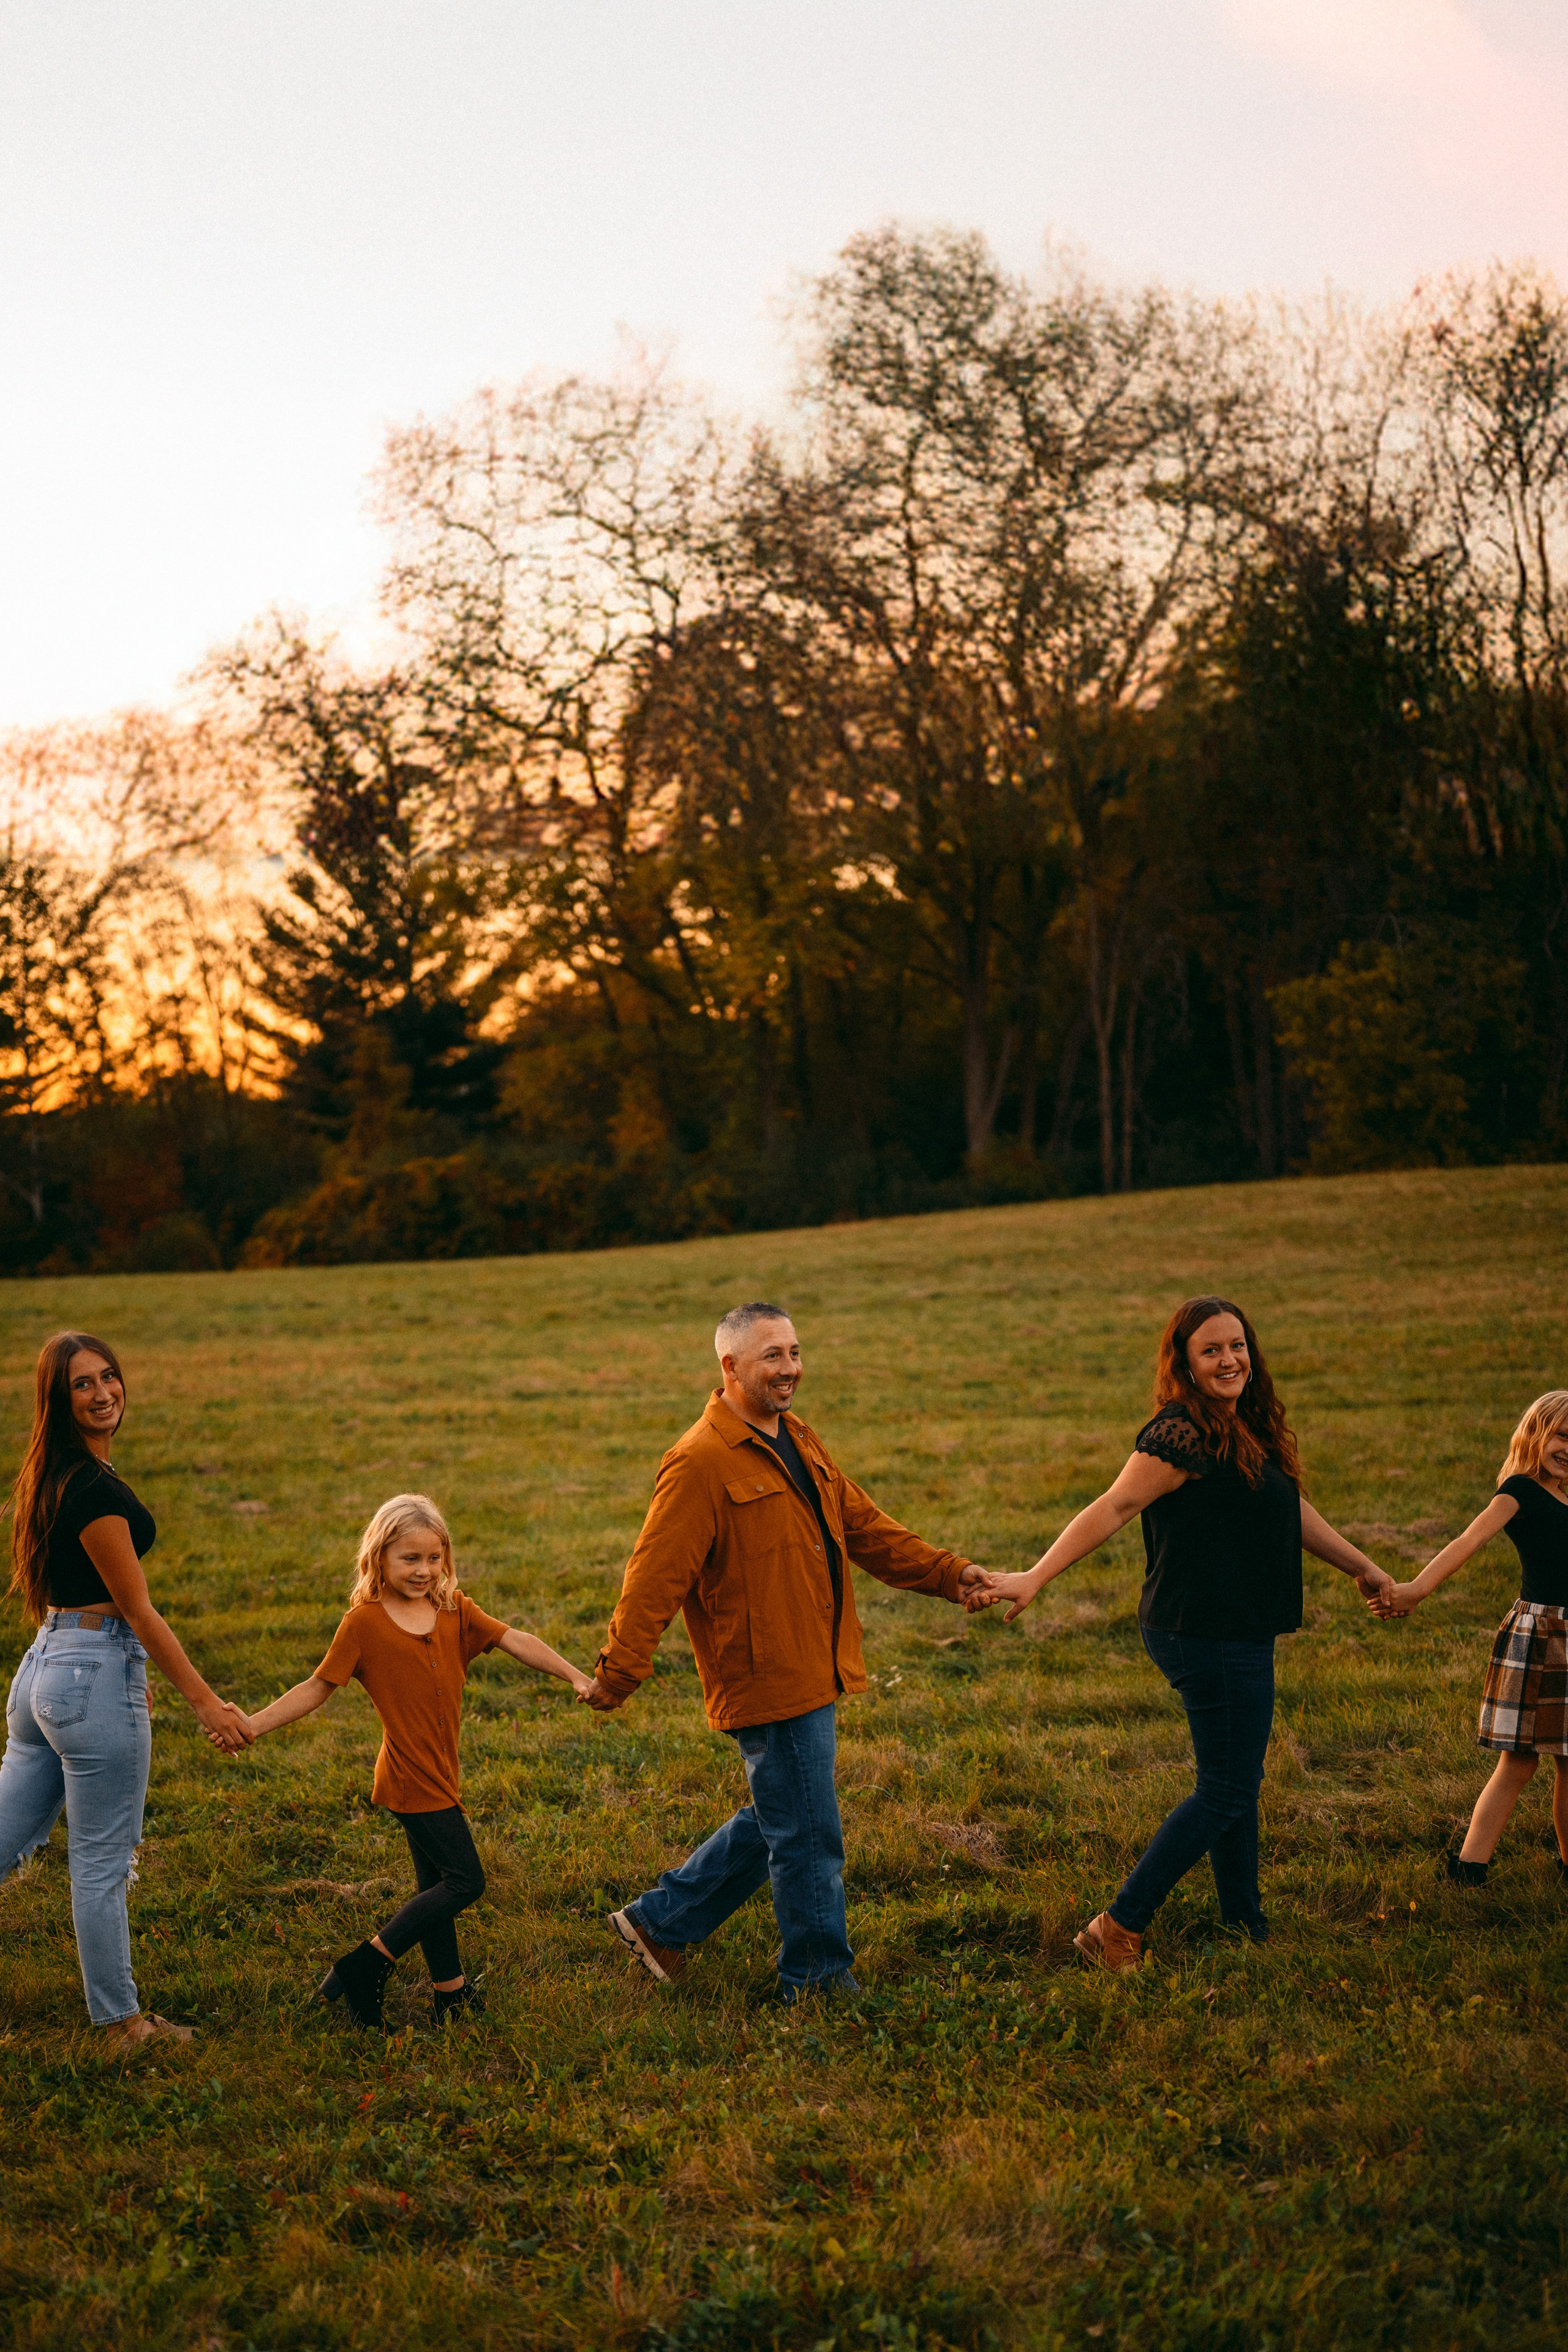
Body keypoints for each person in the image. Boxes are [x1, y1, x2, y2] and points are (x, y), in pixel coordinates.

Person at [970, 1295, 1394, 1970]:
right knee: (1226, 1786)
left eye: (1236, 1346)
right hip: (1203, 1630)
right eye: (1211, 1351)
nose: (1228, 1360)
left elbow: (1288, 1509)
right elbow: (1115, 1504)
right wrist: (1035, 1576)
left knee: (1235, 1779)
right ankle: (1118, 1923)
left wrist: (1361, 1566)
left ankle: (1242, 1922)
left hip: (1237, 1626)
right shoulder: (1182, 1433)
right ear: (1186, 1365)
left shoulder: (1240, 1424)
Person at [587, 1302, 992, 2004]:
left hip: (816, 1659)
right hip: (765, 1671)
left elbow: (864, 1527)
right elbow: (652, 1578)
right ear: (730, 1366)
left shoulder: (796, 1437)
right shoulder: (699, 1462)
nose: (791, 1368)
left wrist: (951, 1575)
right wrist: (618, 1672)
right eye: (772, 1355)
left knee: (789, 1811)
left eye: (796, 1352)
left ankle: (661, 1922)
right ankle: (818, 1981)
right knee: (807, 1833)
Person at [240, 1492, 596, 2031]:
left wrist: (575, 1675)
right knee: (465, 1882)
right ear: (379, 1557)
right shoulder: (364, 1624)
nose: (424, 1570)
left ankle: (450, 1995)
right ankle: (365, 1966)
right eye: (410, 1559)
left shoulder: (454, 1611)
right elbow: (318, 1687)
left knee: (433, 1889)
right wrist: (252, 1725)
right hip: (410, 1777)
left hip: (441, 1771)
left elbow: (515, 1639)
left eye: (434, 1559)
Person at [0, 1330, 252, 2050]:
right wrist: (205, 1702)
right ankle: (121, 2025)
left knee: (7, 1839)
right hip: (86, 1673)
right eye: (82, 1384)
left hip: (45, 1668)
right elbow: (136, 1608)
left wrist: (122, 1672)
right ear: (58, 1399)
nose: (103, 1392)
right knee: (102, 1862)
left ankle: (118, 2016)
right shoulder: (94, 1489)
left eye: (109, 1376)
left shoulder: (53, 1475)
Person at [1370, 1389, 1568, 1885]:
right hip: (1541, 1634)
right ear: (1537, 1433)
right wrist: (1416, 1589)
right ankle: (1469, 1867)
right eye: (1563, 1436)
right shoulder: (1519, 1491)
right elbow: (1469, 1540)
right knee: (1519, 1763)